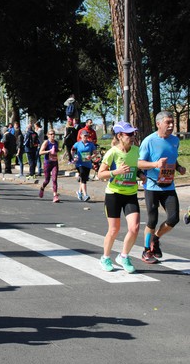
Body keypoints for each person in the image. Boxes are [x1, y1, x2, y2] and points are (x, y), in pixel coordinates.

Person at [138, 111, 186, 264]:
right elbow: (139, 163)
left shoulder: (174, 140)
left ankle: (156, 239)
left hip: (168, 185)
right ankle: (146, 250)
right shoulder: (149, 141)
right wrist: (154, 164)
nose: (171, 125)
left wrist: (178, 167)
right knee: (152, 220)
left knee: (173, 218)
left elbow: (172, 157)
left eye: (172, 122)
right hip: (152, 185)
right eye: (168, 122)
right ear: (158, 124)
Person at [97, 121, 144, 274]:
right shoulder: (113, 152)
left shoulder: (137, 150)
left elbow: (136, 169)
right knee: (114, 229)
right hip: (114, 194)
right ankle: (105, 257)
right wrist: (116, 172)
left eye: (133, 133)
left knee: (135, 227)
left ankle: (124, 256)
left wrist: (141, 175)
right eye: (129, 134)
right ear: (120, 136)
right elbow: (100, 174)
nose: (132, 136)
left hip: (130, 194)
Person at [72, 130, 96, 202]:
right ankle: (85, 195)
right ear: (81, 136)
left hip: (87, 164)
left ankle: (79, 192)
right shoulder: (77, 144)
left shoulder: (91, 144)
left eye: (87, 136)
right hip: (79, 163)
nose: (86, 137)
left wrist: (91, 157)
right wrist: (74, 157)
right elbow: (72, 150)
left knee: (84, 178)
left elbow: (95, 153)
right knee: (83, 177)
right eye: (84, 135)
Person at [38, 129, 61, 203]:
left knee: (54, 179)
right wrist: (49, 151)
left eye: (53, 134)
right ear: (48, 135)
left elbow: (56, 150)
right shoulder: (46, 142)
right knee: (47, 180)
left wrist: (58, 150)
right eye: (51, 134)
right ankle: (42, 188)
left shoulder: (56, 142)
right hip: (47, 162)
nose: (52, 135)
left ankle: (55, 196)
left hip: (54, 162)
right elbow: (40, 152)